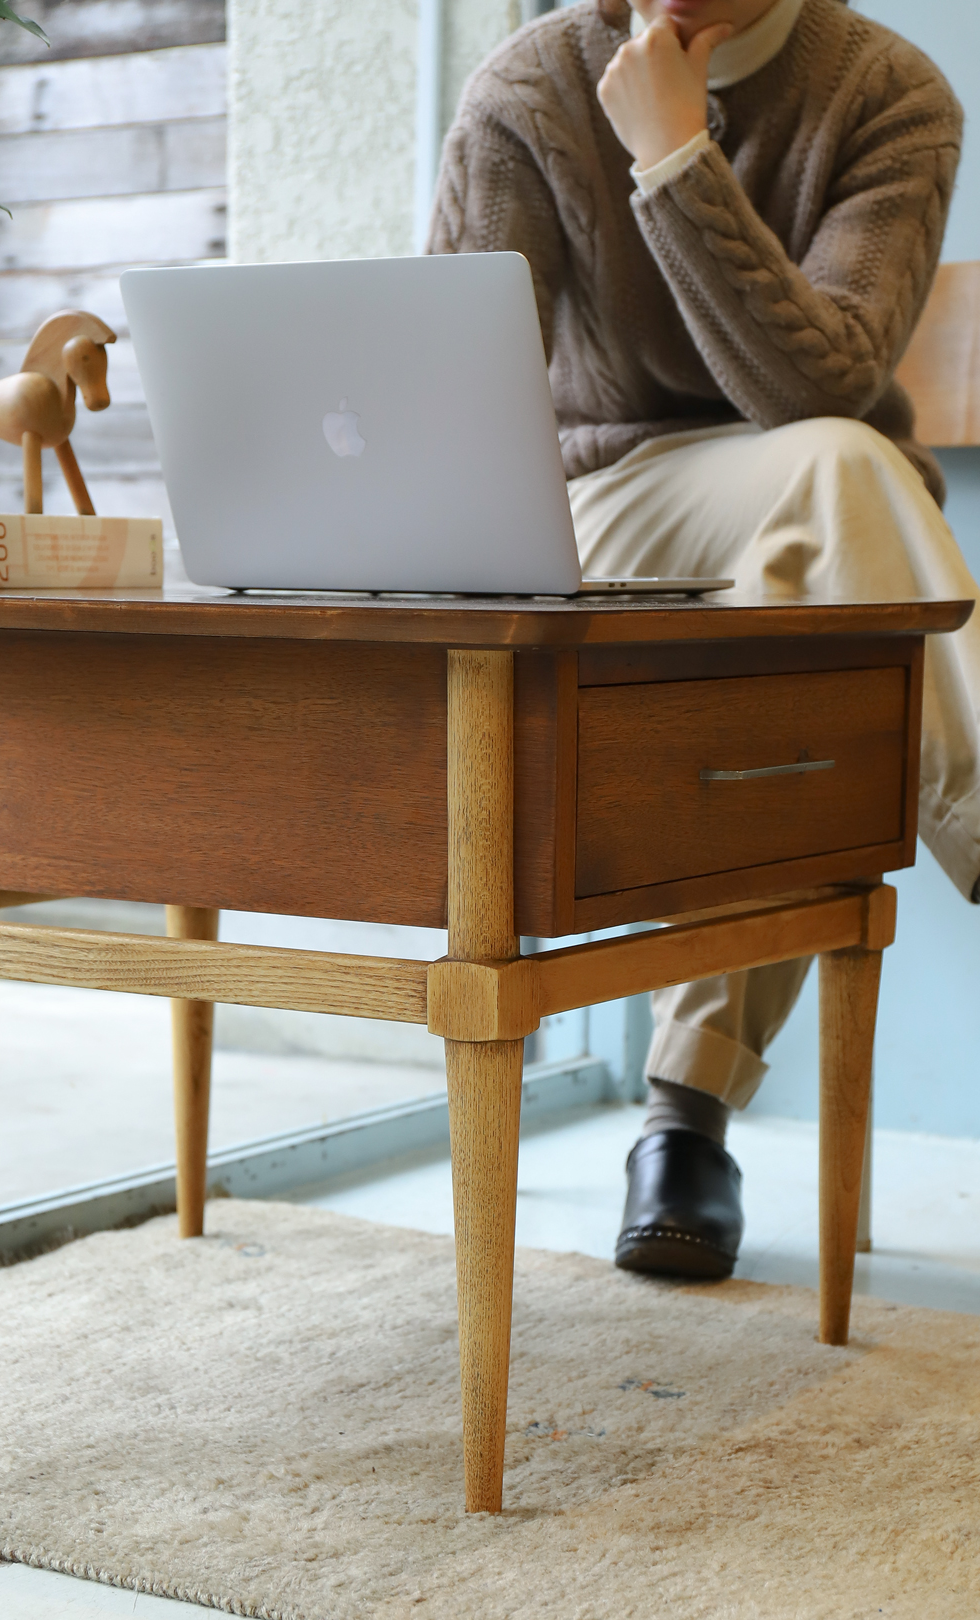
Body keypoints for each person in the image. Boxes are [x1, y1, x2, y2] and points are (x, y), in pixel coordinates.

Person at [427, 0, 975, 1279]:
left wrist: (677, 158)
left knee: (816, 580)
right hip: (589, 507)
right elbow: (456, 385)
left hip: (802, 496)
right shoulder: (529, 88)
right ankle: (690, 1112)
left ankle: (683, 1123)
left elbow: (817, 385)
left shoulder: (891, 94)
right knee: (839, 500)